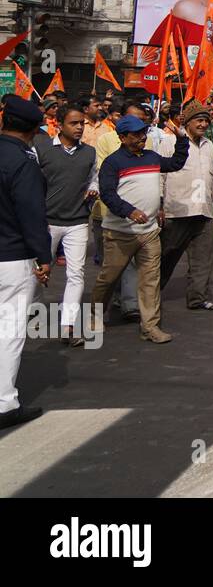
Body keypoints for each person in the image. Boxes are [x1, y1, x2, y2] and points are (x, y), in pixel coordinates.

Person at [91, 113, 191, 344]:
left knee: (150, 280)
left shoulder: (151, 157)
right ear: (123, 137)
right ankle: (93, 317)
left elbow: (176, 163)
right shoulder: (113, 162)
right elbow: (107, 194)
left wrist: (182, 139)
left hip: (149, 232)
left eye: (143, 133)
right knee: (108, 279)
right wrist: (129, 211)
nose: (142, 138)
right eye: (136, 134)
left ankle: (150, 326)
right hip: (120, 233)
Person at [0, 95, 51, 429]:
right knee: (9, 332)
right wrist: (44, 257)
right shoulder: (23, 163)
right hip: (13, 258)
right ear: (34, 129)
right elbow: (32, 215)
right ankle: (4, 403)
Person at [35, 105, 97, 345]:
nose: (80, 127)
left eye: (82, 123)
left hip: (78, 222)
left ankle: (67, 326)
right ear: (59, 125)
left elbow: (95, 177)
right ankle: (32, 309)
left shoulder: (89, 153)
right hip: (47, 222)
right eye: (74, 123)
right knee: (39, 271)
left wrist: (94, 189)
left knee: (76, 274)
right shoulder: (41, 150)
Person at [157, 101, 213, 311]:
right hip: (176, 210)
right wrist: (158, 203)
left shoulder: (208, 145)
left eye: (206, 120)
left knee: (202, 259)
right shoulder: (170, 142)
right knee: (165, 257)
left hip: (203, 210)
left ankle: (198, 297)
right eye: (199, 120)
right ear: (186, 122)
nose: (203, 124)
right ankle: (147, 297)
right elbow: (160, 174)